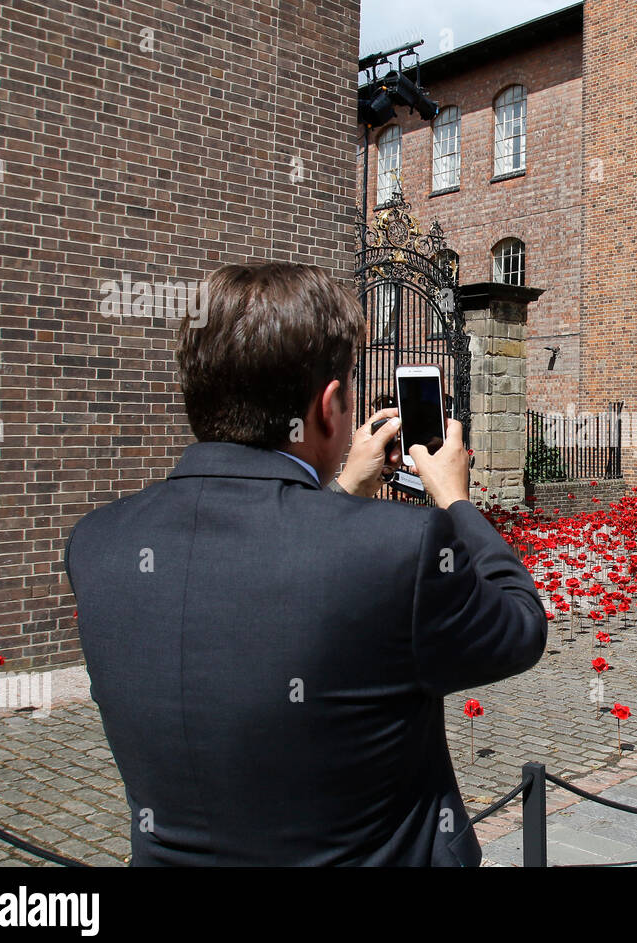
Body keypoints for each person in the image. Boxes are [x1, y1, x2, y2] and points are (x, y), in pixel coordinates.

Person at [64, 263, 548, 866]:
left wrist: (343, 491)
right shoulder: (404, 548)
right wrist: (455, 498)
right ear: (329, 407)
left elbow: (268, 581)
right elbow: (519, 627)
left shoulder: (98, 543)